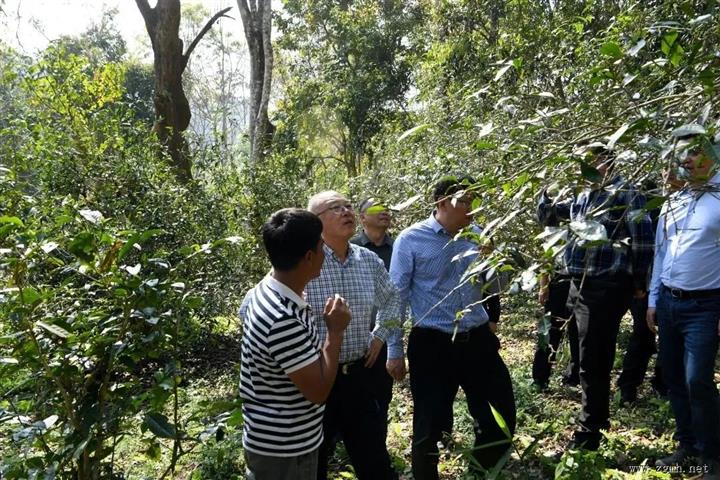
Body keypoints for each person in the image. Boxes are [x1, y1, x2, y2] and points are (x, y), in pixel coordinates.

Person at [389, 175, 516, 480]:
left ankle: (480, 472)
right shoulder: (411, 239)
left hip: (478, 340)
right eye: (466, 202)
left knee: (501, 417)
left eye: (475, 201)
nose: (472, 209)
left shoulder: (478, 236)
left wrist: (495, 261)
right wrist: (394, 349)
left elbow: (496, 287)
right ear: (442, 203)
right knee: (429, 426)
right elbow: (396, 297)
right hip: (433, 344)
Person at [537, 144, 654, 451]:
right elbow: (547, 217)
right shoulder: (581, 195)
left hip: (607, 284)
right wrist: (545, 188)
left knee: (593, 357)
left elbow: (643, 240)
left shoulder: (626, 193)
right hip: (579, 283)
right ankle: (595, 420)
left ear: (606, 162)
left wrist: (638, 281)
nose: (585, 168)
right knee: (586, 355)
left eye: (591, 161)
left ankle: (590, 431)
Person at [238, 208, 351, 480]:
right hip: (285, 449)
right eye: (321, 248)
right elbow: (319, 391)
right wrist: (335, 332)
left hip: (276, 438)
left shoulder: (265, 289)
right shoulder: (282, 319)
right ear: (310, 257)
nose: (326, 255)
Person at [306, 191, 402, 480]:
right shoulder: (305, 262)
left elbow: (393, 298)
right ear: (315, 221)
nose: (346, 211)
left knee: (373, 460)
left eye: (347, 205)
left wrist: (379, 335)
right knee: (314, 462)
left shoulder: (368, 260)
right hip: (316, 379)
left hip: (360, 376)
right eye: (335, 208)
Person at [648, 132, 720, 478]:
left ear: (712, 155)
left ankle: (712, 456)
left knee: (697, 381)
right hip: (667, 302)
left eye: (694, 153)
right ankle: (687, 446)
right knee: (674, 378)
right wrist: (652, 299)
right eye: (682, 155)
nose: (687, 160)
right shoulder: (673, 202)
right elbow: (661, 254)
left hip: (704, 306)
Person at [349, 197, 396, 439]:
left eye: (387, 208)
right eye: (377, 209)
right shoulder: (351, 248)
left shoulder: (398, 247)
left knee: (381, 395)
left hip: (385, 336)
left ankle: (378, 445)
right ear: (362, 217)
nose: (384, 212)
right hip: (353, 337)